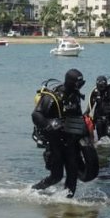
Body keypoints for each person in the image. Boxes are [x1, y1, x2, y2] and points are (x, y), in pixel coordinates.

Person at [31, 69, 87, 197]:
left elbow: (78, 116)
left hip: (71, 140)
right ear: (70, 82)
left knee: (72, 175)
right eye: (78, 83)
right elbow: (36, 115)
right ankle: (33, 191)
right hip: (55, 141)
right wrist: (48, 124)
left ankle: (67, 204)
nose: (80, 86)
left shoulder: (75, 96)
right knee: (56, 176)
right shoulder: (53, 97)